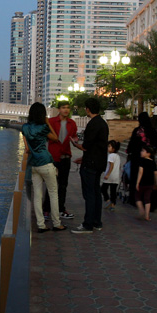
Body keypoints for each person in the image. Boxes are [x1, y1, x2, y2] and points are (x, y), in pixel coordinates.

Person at [22, 102, 66, 233]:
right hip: (45, 162)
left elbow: (27, 148)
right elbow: (55, 138)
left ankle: (41, 225)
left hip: (34, 165)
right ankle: (57, 223)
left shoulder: (25, 127)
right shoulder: (43, 127)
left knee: (37, 195)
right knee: (53, 193)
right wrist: (48, 123)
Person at [71, 98, 109, 234]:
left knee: (89, 194)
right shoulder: (103, 124)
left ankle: (87, 224)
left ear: (88, 109)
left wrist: (75, 144)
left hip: (90, 165)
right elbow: (97, 147)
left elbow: (86, 146)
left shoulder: (93, 124)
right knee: (96, 193)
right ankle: (97, 222)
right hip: (99, 163)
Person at [46, 100, 78, 219]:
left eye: (68, 108)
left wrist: (75, 141)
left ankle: (60, 209)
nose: (66, 110)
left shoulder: (72, 123)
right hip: (53, 157)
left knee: (63, 185)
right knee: (51, 184)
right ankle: (47, 210)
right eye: (63, 107)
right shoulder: (51, 122)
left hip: (65, 157)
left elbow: (74, 136)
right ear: (59, 109)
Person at [126, 112, 157, 206]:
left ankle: (135, 200)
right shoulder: (152, 131)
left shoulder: (137, 131)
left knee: (137, 178)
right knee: (149, 180)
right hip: (149, 159)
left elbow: (131, 145)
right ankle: (149, 201)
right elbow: (156, 144)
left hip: (137, 159)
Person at [135, 145, 157, 222]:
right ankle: (147, 215)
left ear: (148, 153)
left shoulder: (142, 161)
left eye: (143, 151)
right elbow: (156, 173)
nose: (141, 152)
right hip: (150, 183)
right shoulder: (153, 162)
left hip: (142, 182)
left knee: (138, 197)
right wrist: (155, 183)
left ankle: (141, 209)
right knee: (147, 198)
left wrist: (137, 182)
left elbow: (140, 172)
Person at [102, 140, 121, 211]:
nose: (108, 148)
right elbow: (119, 166)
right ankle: (113, 205)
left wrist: (107, 174)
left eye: (109, 146)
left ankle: (107, 200)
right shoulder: (118, 156)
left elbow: (111, 166)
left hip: (110, 176)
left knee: (103, 189)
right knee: (113, 192)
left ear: (113, 148)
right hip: (116, 177)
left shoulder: (111, 156)